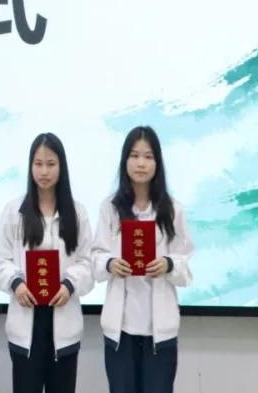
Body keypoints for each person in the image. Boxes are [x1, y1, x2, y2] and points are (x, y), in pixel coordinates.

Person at [92, 125, 193, 393]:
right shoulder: (110, 208)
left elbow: (185, 267)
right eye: (134, 155)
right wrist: (110, 264)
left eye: (148, 157)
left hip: (159, 333)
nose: (141, 163)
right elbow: (95, 259)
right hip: (121, 330)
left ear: (157, 163)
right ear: (125, 160)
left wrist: (168, 264)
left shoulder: (172, 210)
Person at [0, 132, 94, 393]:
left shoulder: (77, 213)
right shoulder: (14, 212)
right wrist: (16, 284)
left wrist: (69, 285)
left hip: (64, 326)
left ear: (62, 167)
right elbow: (0, 259)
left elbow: (87, 263)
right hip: (26, 326)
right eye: (38, 164)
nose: (44, 171)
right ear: (30, 167)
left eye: (51, 164)